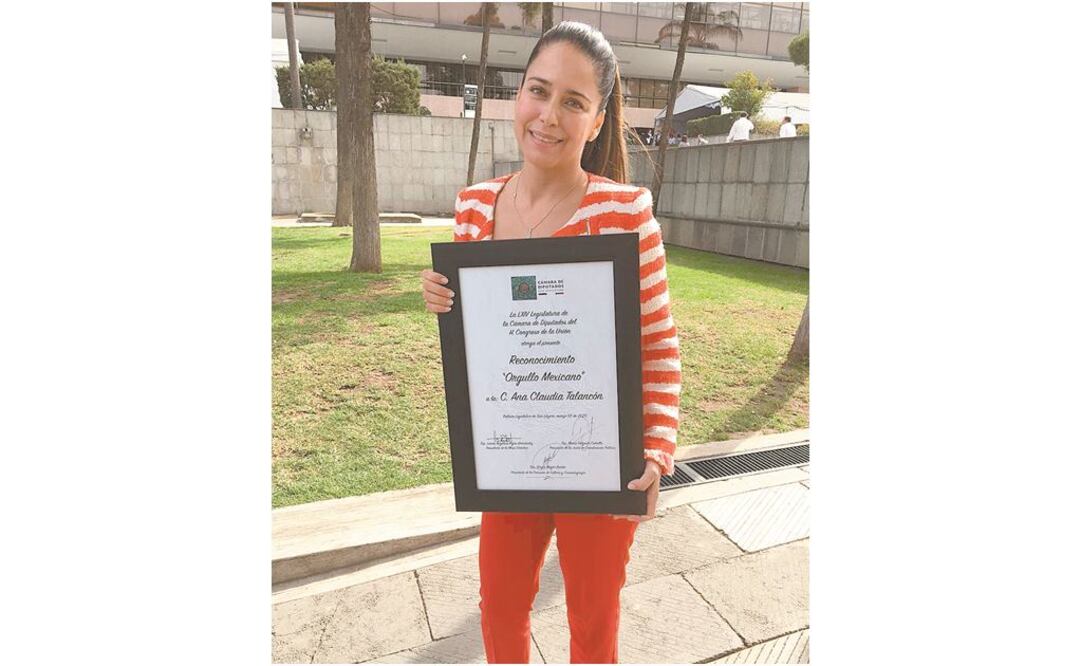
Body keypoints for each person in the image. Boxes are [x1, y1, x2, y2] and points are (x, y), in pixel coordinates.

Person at [420, 21, 681, 665]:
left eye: (574, 101)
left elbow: (658, 342)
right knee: (500, 610)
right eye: (540, 91)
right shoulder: (475, 206)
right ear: (519, 96)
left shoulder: (624, 211)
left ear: (597, 120)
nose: (550, 115)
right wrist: (444, 301)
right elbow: (486, 338)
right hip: (508, 454)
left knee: (594, 622)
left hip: (600, 460)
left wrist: (655, 449)